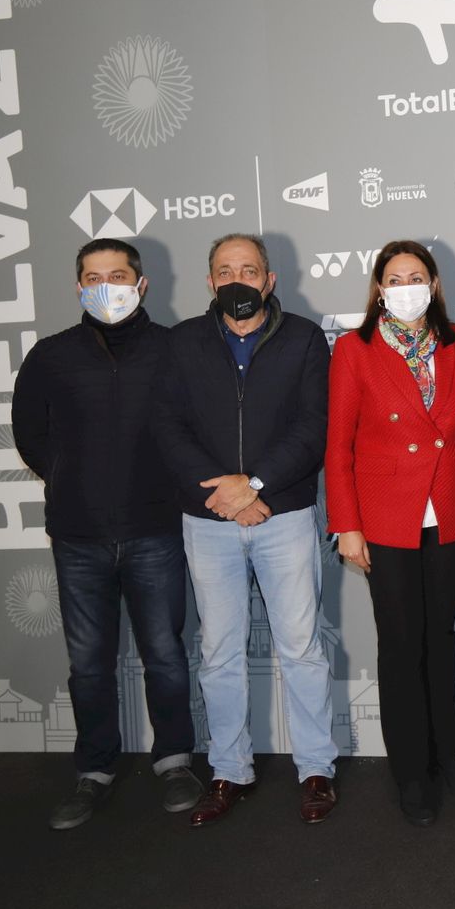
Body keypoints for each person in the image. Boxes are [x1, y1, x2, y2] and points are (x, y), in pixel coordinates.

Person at [12, 238, 201, 830]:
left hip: (156, 530)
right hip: (78, 534)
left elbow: (197, 430)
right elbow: (30, 435)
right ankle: (94, 771)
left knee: (166, 656)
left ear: (140, 284)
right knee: (89, 664)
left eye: (117, 275)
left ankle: (174, 760)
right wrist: (72, 480)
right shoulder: (50, 356)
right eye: (93, 277)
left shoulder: (176, 350)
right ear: (77, 287)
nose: (106, 286)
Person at [153, 233, 339, 826]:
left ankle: (316, 769)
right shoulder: (181, 342)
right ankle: (229, 770)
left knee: (301, 648)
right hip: (208, 518)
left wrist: (254, 486)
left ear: (269, 280)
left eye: (250, 269)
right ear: (209, 281)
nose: (238, 279)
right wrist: (227, 493)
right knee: (218, 652)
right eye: (225, 269)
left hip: (282, 514)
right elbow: (166, 426)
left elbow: (314, 428)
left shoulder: (306, 338)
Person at [326, 240, 455, 827]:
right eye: (394, 278)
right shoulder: (354, 349)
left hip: (449, 513)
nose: (405, 286)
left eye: (415, 276)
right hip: (386, 518)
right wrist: (346, 525)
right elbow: (338, 445)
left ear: (434, 285)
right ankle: (411, 771)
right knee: (400, 646)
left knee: (440, 638)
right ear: (378, 289)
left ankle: (447, 754)